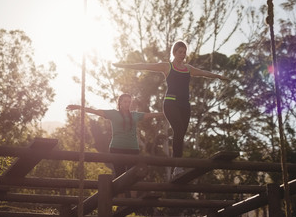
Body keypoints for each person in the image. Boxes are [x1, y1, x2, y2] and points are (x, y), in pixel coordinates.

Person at [113, 40, 229, 176]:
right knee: (178, 129)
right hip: (170, 104)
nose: (183, 54)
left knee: (180, 134)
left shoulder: (188, 69)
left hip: (185, 105)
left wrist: (218, 76)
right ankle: (177, 167)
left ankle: (176, 168)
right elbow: (145, 65)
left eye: (185, 52)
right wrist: (124, 65)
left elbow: (203, 73)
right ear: (174, 53)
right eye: (180, 52)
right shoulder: (167, 67)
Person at [67, 93, 165, 178]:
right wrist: (78, 107)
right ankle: (121, 198)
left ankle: (129, 199)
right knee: (120, 175)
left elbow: (151, 115)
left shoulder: (135, 115)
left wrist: (166, 114)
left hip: (133, 149)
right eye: (125, 101)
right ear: (120, 103)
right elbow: (95, 111)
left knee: (133, 175)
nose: (127, 104)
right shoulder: (113, 114)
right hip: (117, 148)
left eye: (129, 102)